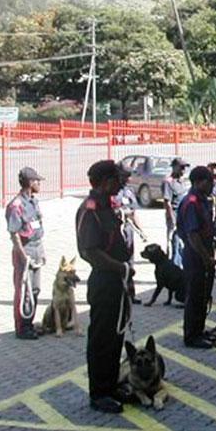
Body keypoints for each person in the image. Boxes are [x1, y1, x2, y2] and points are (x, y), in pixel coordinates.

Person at [76, 161, 132, 413]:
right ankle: (99, 393)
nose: (121, 182)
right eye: (117, 178)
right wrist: (120, 268)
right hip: (104, 280)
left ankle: (111, 385)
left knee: (115, 337)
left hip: (117, 280)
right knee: (102, 339)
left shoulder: (108, 205)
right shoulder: (91, 210)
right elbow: (89, 251)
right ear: (106, 181)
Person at [176, 166, 216, 349]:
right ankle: (192, 336)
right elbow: (193, 235)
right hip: (195, 256)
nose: (212, 185)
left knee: (203, 296)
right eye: (209, 181)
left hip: (204, 254)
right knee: (195, 297)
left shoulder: (203, 201)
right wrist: (205, 257)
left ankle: (199, 330)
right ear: (199, 182)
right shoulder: (191, 202)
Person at [6, 167, 46, 340]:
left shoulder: (33, 201)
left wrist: (42, 251)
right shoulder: (16, 205)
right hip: (25, 250)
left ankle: (29, 323)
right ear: (30, 183)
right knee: (24, 290)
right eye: (37, 181)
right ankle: (22, 328)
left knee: (35, 289)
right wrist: (23, 256)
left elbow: (38, 225)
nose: (39, 184)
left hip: (36, 247)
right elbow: (14, 233)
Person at [113, 163, 144, 306]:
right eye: (127, 176)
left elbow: (133, 213)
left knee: (130, 264)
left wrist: (141, 231)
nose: (129, 179)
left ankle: (131, 294)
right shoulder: (113, 192)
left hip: (128, 232)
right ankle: (118, 295)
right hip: (116, 233)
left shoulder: (129, 191)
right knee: (119, 264)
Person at [162, 157, 189, 267]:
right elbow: (167, 202)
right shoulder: (168, 182)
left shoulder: (182, 181)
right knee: (175, 241)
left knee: (183, 241)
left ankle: (182, 264)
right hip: (174, 213)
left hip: (183, 214)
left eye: (184, 168)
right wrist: (172, 219)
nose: (183, 170)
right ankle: (175, 266)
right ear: (174, 168)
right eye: (181, 167)